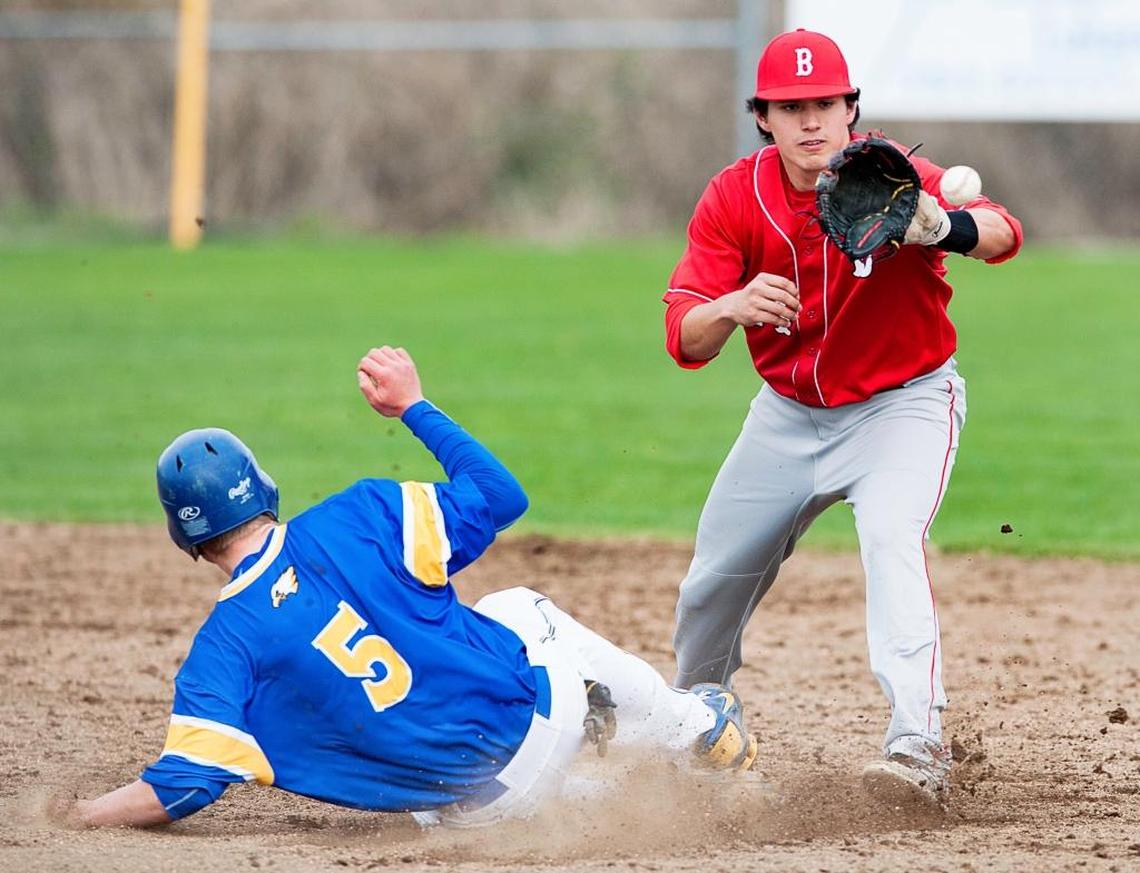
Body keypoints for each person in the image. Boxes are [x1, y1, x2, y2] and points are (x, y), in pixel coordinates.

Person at [66, 346, 759, 830]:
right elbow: (500, 495)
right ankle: (693, 727)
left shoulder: (222, 647)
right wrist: (414, 407)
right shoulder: (357, 516)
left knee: (436, 797)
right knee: (513, 607)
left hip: (475, 812)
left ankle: (618, 798)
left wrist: (79, 814)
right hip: (539, 722)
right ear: (264, 487)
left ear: (186, 539)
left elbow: (184, 782)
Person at [662, 29, 1022, 808]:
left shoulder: (892, 174)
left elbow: (1003, 233)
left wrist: (941, 226)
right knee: (710, 586)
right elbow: (684, 335)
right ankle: (696, 722)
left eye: (825, 102)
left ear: (851, 108)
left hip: (905, 404)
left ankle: (918, 747)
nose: (811, 120)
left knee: (893, 539)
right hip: (787, 418)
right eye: (791, 107)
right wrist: (728, 306)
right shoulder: (734, 196)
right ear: (762, 116)